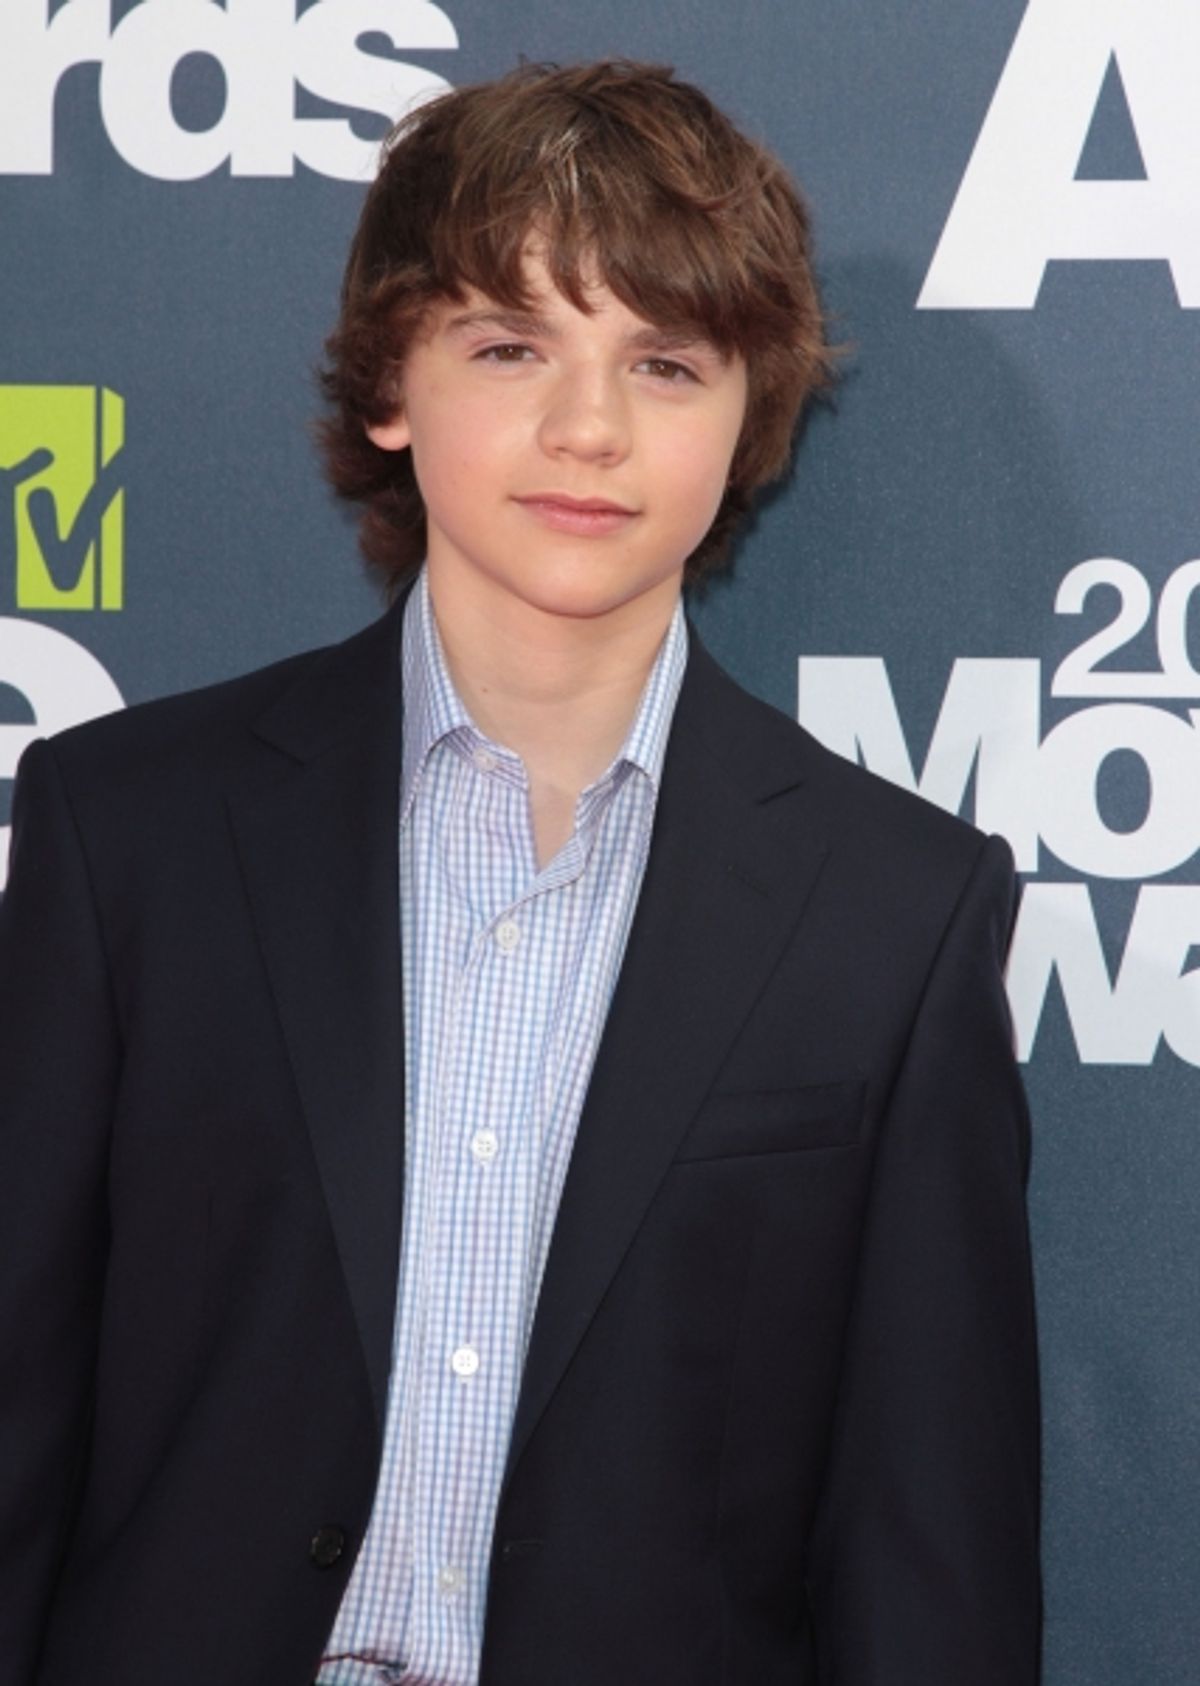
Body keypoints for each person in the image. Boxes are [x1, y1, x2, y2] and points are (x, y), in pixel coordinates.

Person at [0, 60, 1040, 1686]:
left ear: (745, 419)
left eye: (665, 363)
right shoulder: (125, 832)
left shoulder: (898, 913)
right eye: (510, 346)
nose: (588, 429)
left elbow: (929, 1556)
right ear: (390, 386)